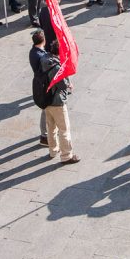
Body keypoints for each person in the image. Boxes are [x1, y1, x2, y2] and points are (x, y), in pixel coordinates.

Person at [31, 30, 80, 164]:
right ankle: (67, 155)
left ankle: (53, 150)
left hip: (45, 99)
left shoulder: (44, 59)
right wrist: (69, 85)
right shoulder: (55, 66)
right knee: (64, 129)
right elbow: (62, 85)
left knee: (51, 127)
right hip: (56, 101)